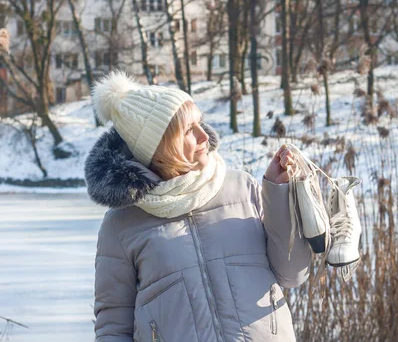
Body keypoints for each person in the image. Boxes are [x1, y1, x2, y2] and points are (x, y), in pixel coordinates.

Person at [84, 71, 312, 342]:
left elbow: (293, 273)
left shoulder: (242, 187)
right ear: (157, 147)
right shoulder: (121, 225)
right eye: (188, 130)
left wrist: (278, 195)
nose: (205, 136)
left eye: (200, 123)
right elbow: (113, 328)